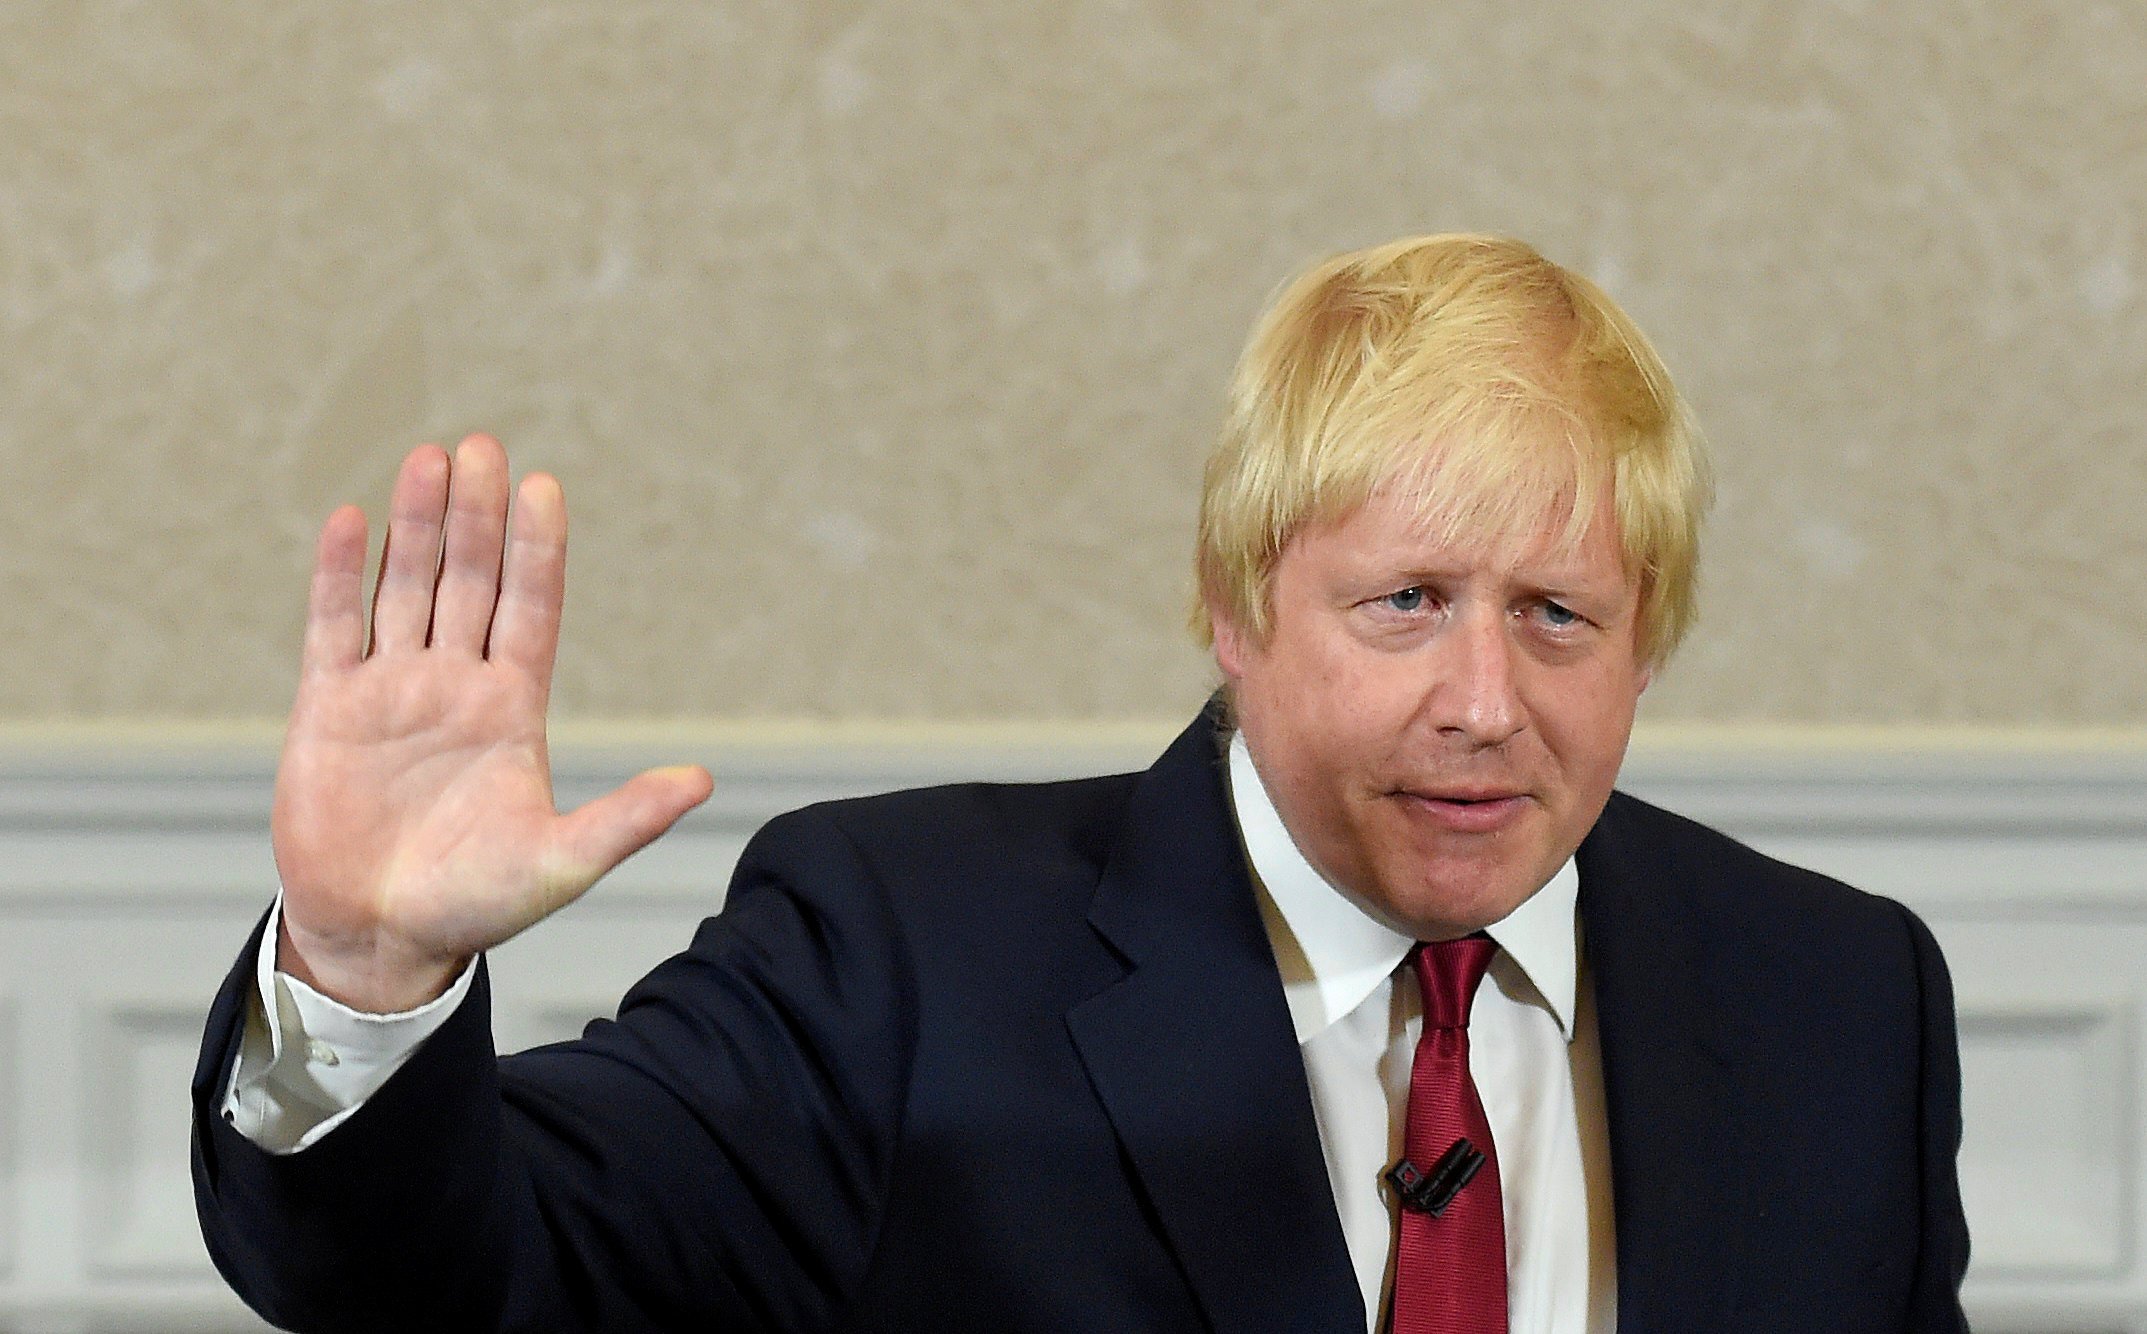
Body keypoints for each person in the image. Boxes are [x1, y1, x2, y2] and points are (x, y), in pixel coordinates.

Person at [191, 234, 1970, 1332]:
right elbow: (446, 1278)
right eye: (1409, 602)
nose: (1486, 702)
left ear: (1648, 643)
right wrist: (363, 972)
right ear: (1231, 604)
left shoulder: (1840, 998)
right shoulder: (901, 952)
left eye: (1560, 615)